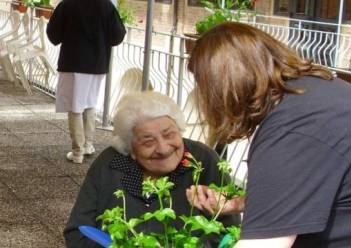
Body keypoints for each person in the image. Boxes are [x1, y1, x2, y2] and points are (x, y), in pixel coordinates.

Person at [186, 22, 351, 247]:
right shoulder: (310, 94)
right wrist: (237, 204)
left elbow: (263, 245)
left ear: (222, 89)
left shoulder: (294, 127)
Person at [64, 91, 240, 247]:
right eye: (148, 141)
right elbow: (77, 231)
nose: (163, 148)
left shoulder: (202, 161)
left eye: (169, 134)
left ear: (180, 130)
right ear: (131, 149)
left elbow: (230, 231)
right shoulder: (110, 164)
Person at [46, 0, 126, 164]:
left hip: (73, 62)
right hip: (97, 63)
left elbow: (53, 34)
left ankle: (77, 152)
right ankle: (88, 145)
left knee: (75, 106)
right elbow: (118, 35)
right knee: (89, 103)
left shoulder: (67, 4)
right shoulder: (106, 5)